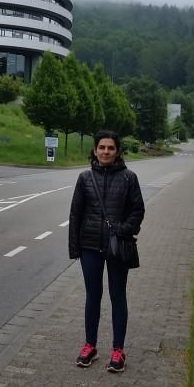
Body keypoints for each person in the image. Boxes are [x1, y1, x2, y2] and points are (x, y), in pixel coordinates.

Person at [68, 129, 145, 372]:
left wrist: (121, 229)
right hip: (89, 245)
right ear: (95, 150)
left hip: (116, 246)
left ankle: (118, 350)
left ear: (117, 151)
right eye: (102, 147)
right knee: (93, 295)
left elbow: (137, 211)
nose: (106, 152)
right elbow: (75, 215)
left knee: (117, 296)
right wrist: (74, 249)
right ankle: (90, 346)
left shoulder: (128, 178)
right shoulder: (84, 178)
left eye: (111, 148)